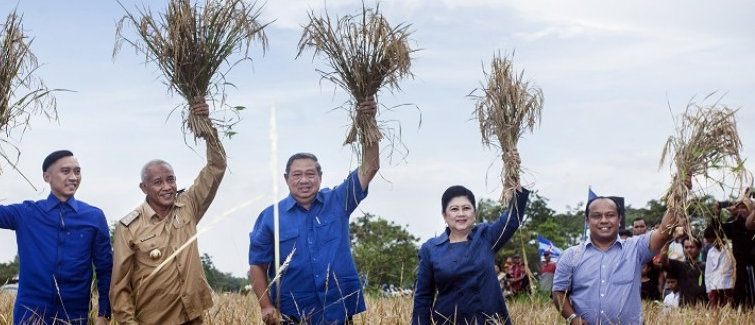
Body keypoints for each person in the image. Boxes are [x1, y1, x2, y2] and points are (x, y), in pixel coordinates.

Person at [248, 97, 380, 324]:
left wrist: (368, 120)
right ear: (286, 179)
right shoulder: (271, 218)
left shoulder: (339, 201)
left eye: (310, 174)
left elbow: (371, 166)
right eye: (297, 174)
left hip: (338, 311)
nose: (304, 180)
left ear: (320, 177)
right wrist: (266, 305)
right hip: (293, 314)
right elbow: (257, 265)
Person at [0, 142, 111, 325]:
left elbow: (106, 268)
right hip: (31, 314)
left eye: (77, 171)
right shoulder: (27, 214)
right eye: (65, 171)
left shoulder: (93, 217)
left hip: (74, 315)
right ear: (47, 177)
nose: (73, 177)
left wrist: (104, 314)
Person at [110, 102, 226, 325]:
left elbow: (216, 168)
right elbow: (120, 287)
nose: (167, 187)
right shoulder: (129, 228)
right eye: (157, 182)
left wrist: (208, 130)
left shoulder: (189, 205)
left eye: (170, 179)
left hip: (192, 317)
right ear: (144, 188)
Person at [412, 150, 529, 325]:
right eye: (454, 209)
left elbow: (513, 218)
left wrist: (513, 173)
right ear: (444, 215)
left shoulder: (486, 237)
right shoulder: (431, 250)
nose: (461, 214)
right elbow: (423, 298)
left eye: (466, 208)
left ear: (474, 212)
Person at [552, 195, 676, 325]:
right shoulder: (570, 255)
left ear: (619, 220)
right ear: (587, 221)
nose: (604, 220)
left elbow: (664, 232)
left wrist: (677, 194)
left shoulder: (635, 248)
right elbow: (559, 291)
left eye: (610, 215)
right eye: (596, 216)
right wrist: (572, 318)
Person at [713, 194, 755, 308]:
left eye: (744, 207)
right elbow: (715, 231)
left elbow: (748, 226)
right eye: (739, 207)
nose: (740, 210)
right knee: (740, 299)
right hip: (741, 269)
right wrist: (717, 214)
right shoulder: (734, 226)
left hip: (752, 267)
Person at [659, 236, 707, 306]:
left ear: (699, 249)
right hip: (685, 307)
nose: (689, 250)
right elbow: (663, 260)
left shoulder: (706, 266)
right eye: (686, 247)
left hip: (704, 306)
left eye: (692, 247)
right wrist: (668, 242)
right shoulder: (679, 266)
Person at [704, 226, 734, 308]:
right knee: (715, 311)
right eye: (711, 243)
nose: (713, 244)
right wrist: (708, 289)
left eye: (714, 241)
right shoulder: (710, 252)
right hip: (715, 286)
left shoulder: (731, 248)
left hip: (729, 285)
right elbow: (708, 272)